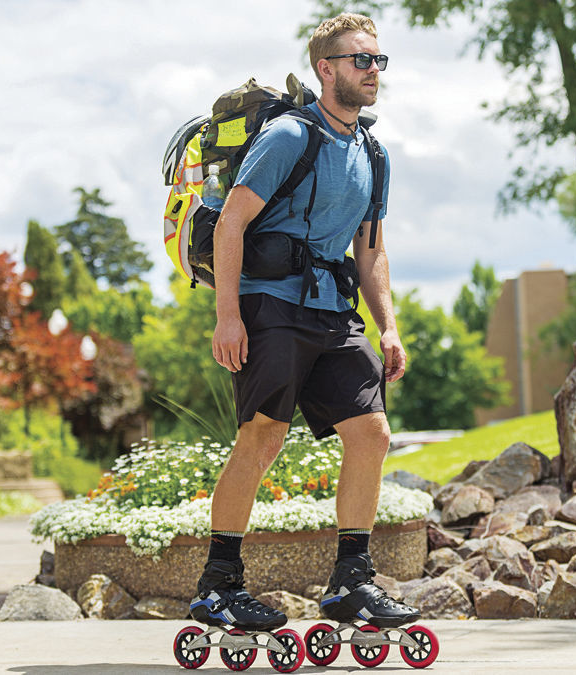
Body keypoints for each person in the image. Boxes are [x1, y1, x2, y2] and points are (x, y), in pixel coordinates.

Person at [189, 13, 420, 632]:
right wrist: (228, 316)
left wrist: (388, 326)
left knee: (371, 432)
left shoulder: (373, 152)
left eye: (379, 61)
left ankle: (350, 581)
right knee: (262, 437)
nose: (374, 72)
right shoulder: (290, 136)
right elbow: (232, 223)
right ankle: (219, 584)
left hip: (331, 310)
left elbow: (370, 248)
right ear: (327, 68)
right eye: (361, 61)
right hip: (270, 306)